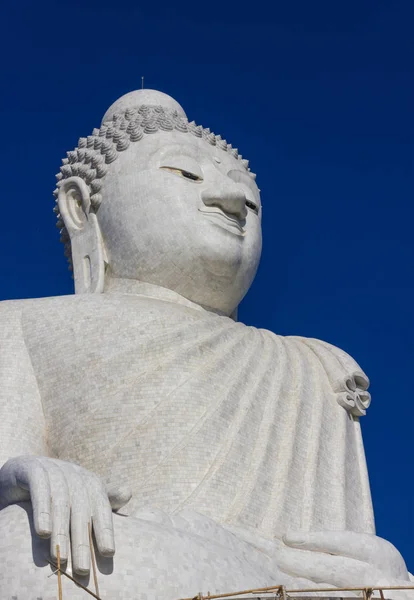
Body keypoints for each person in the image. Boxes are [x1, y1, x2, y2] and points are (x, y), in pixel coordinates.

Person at [0, 89, 410, 599]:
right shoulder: (17, 323)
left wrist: (391, 580)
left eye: (251, 198)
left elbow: (336, 552)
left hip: (288, 583)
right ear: (81, 207)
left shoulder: (311, 365)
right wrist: (26, 475)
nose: (232, 200)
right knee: (19, 546)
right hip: (122, 552)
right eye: (185, 175)